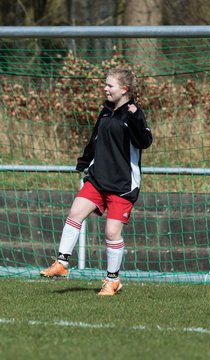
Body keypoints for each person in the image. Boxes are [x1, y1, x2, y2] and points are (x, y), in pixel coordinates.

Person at [40, 68, 153, 295]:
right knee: (75, 213)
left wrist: (134, 119)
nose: (105, 88)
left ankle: (112, 280)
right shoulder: (106, 111)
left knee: (112, 232)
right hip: (98, 177)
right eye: (105, 84)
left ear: (124, 89)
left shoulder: (133, 114)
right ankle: (62, 263)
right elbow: (95, 138)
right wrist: (84, 161)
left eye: (110, 85)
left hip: (122, 185)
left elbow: (145, 141)